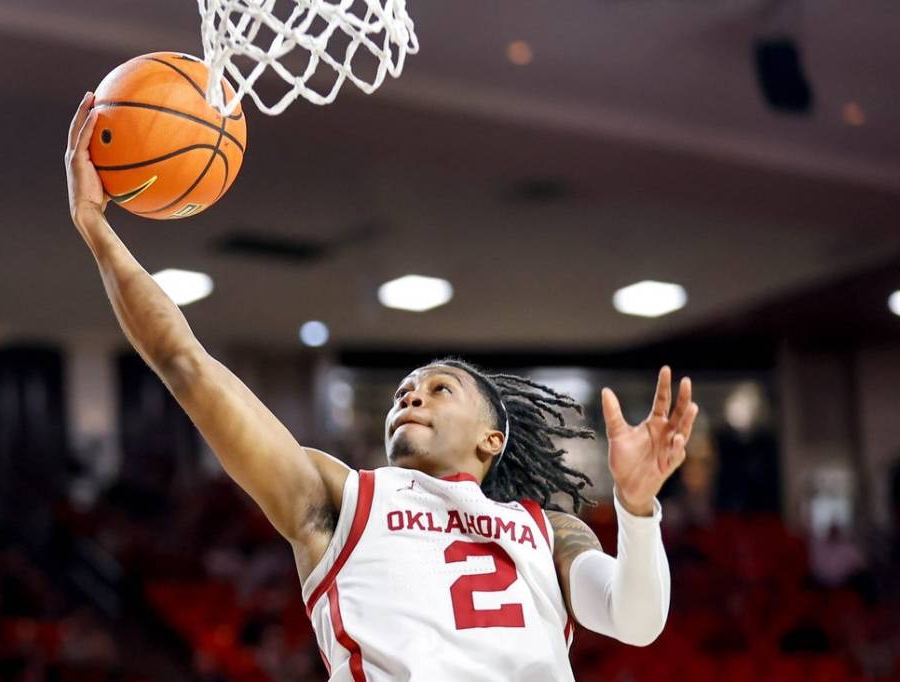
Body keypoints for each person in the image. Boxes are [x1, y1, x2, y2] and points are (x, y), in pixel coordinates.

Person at [65, 93, 700, 681]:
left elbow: (634, 622)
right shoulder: (339, 500)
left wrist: (639, 510)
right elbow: (184, 361)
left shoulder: (549, 529)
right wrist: (96, 228)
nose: (409, 395)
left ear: (492, 437)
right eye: (403, 390)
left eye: (439, 388)